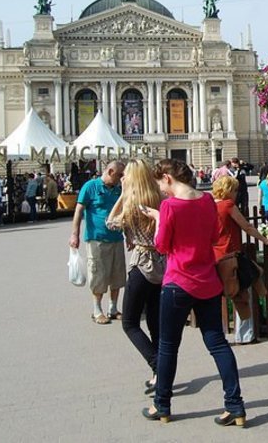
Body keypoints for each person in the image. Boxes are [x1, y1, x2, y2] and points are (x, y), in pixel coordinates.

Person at [140, 159, 246, 427]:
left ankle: (161, 405)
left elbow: (162, 246)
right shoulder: (207, 201)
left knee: (167, 347)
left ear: (167, 178)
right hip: (208, 282)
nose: (162, 191)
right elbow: (212, 238)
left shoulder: (170, 206)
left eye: (161, 185)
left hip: (177, 283)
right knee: (218, 344)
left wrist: (160, 219)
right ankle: (235, 406)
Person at [107, 160, 165, 393]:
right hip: (162, 264)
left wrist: (122, 194)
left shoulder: (133, 204)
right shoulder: (159, 198)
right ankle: (159, 373)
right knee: (155, 322)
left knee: (130, 323)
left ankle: (159, 366)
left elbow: (110, 223)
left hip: (142, 265)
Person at [212, 175, 268, 344]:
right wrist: (264, 240)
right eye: (235, 190)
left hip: (215, 256)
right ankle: (244, 335)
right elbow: (246, 226)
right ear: (228, 190)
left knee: (219, 297)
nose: (237, 193)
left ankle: (219, 335)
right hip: (231, 255)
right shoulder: (228, 205)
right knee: (241, 293)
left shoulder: (209, 206)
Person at [69, 161, 125, 325]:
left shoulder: (118, 190)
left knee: (117, 275)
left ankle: (113, 308)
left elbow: (124, 212)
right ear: (110, 171)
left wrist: (128, 235)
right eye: (119, 175)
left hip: (116, 238)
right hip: (96, 238)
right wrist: (75, 234)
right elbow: (79, 210)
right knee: (98, 274)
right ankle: (97, 310)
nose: (121, 178)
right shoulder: (91, 186)